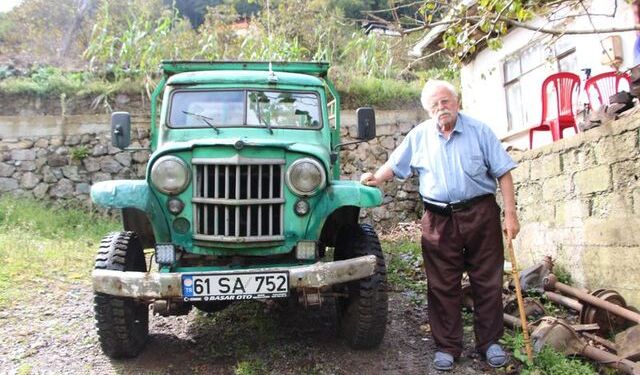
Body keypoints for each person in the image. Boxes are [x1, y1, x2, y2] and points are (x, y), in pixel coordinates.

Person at [360, 80, 520, 371]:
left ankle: (490, 342)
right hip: (437, 218)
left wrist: (510, 213)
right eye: (434, 105)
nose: (440, 109)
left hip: (480, 214)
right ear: (427, 110)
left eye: (445, 102)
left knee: (488, 278)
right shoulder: (419, 136)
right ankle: (447, 346)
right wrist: (375, 178)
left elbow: (504, 172)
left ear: (456, 102)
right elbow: (396, 164)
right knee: (442, 283)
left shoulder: (479, 131)